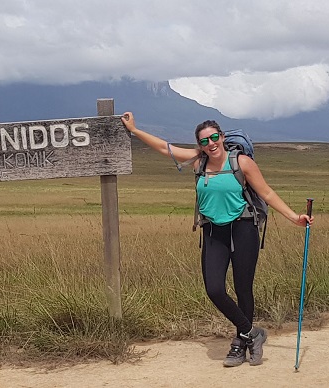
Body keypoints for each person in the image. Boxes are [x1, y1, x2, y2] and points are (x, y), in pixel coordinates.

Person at [121, 112, 314, 367]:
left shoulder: (241, 162)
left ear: (222, 137)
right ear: (199, 144)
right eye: (204, 141)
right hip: (213, 231)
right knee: (214, 289)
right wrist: (134, 130)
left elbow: (266, 192)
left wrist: (294, 218)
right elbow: (162, 147)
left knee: (243, 288)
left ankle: (239, 343)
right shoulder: (197, 162)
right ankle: (252, 333)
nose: (211, 144)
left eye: (214, 137)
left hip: (244, 229)